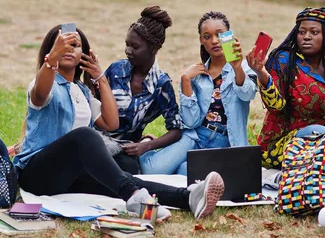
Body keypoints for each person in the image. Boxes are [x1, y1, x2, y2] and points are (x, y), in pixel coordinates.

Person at [13, 24, 225, 220]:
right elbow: (40, 95)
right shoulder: (43, 84)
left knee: (123, 178)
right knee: (87, 136)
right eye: (61, 45)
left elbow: (111, 123)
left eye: (75, 45)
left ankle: (188, 197)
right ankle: (134, 198)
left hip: (67, 176)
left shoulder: (83, 92)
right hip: (37, 174)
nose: (68, 49)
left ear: (83, 55)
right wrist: (52, 59)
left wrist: (100, 78)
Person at [254, 7, 325, 170]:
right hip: (283, 144)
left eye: (314, 32)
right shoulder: (285, 61)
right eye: (302, 32)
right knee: (321, 134)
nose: (306, 37)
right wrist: (262, 75)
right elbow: (276, 106)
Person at [101, 6, 190, 175]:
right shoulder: (115, 70)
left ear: (154, 48)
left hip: (125, 151)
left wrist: (145, 146)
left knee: (127, 171)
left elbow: (176, 130)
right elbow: (92, 101)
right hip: (98, 141)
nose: (128, 51)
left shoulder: (161, 85)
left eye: (135, 47)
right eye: (127, 44)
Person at [170, 11, 258, 175]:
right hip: (197, 137)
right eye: (207, 36)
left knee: (184, 171)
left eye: (220, 34)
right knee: (161, 170)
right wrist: (185, 80)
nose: (215, 41)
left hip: (227, 141)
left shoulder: (244, 68)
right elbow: (190, 121)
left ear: (229, 36)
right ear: (201, 40)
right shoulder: (197, 75)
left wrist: (237, 67)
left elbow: (247, 94)